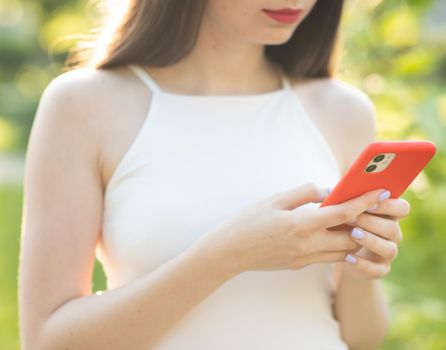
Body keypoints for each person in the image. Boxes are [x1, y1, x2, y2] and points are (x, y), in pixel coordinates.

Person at [18, 0, 410, 349]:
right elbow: (47, 340)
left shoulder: (342, 110)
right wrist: (227, 256)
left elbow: (362, 337)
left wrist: (363, 262)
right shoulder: (84, 105)